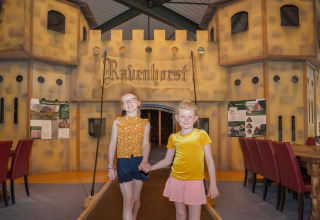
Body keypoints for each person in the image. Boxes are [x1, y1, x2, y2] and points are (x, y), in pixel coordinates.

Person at [141, 100, 219, 220]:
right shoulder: (174, 137)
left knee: (194, 217)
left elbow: (209, 160)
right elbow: (167, 160)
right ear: (177, 118)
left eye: (189, 116)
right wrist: (151, 167)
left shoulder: (201, 135)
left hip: (195, 181)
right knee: (181, 215)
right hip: (176, 179)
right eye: (183, 116)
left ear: (195, 118)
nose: (186, 119)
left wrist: (213, 185)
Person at [108, 91, 151, 220]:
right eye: (125, 102)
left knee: (136, 199)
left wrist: (145, 161)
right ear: (122, 106)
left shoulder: (145, 123)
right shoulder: (117, 122)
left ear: (138, 103)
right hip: (124, 162)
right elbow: (112, 145)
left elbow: (145, 145)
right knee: (128, 201)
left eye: (131, 100)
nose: (129, 103)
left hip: (139, 162)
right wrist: (111, 166)